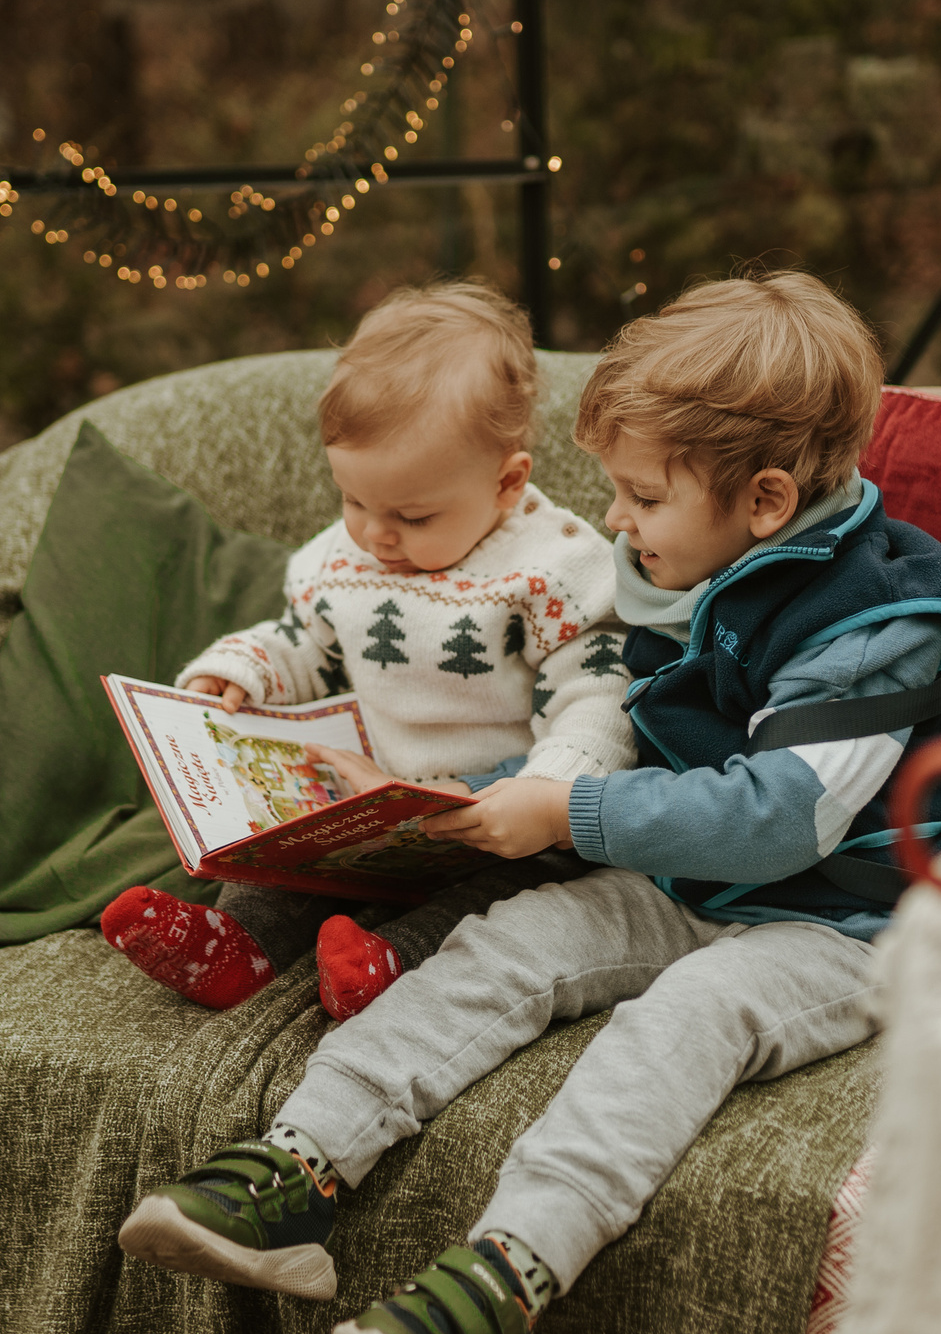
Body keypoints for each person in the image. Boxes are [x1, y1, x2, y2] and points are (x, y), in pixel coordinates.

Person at [117, 271, 941, 1334]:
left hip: (845, 920)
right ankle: (298, 1169)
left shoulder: (883, 614)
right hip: (696, 878)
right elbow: (630, 702)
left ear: (766, 498)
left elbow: (786, 816)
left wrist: (568, 816)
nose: (614, 520)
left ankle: (502, 1285)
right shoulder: (700, 563)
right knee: (506, 944)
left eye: (639, 495)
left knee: (687, 1016)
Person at [100, 280, 635, 1021]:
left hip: (497, 817)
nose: (376, 535)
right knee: (278, 865)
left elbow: (598, 696)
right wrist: (245, 670)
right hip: (372, 805)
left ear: (508, 483)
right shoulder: (343, 560)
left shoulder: (557, 571)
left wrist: (549, 791)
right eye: (354, 502)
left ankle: (394, 962)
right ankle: (234, 947)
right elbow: (306, 642)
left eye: (413, 515)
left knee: (496, 898)